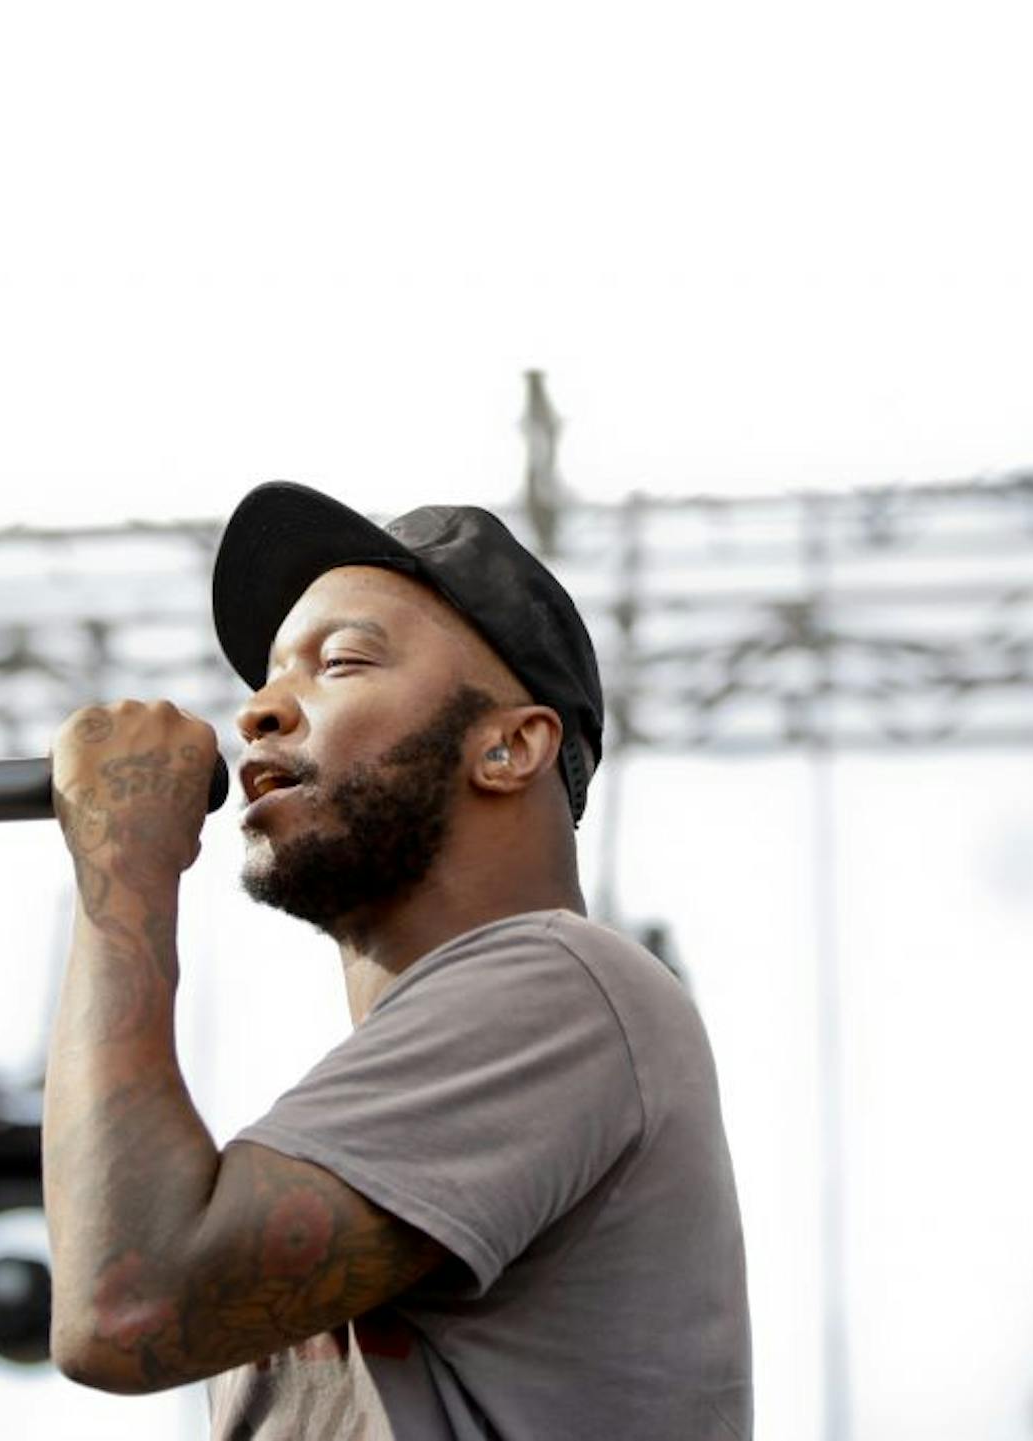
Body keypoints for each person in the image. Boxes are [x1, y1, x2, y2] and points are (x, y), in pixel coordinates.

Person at [43, 481, 752, 1439]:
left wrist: (125, 862)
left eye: (340, 661)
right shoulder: (424, 1072)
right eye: (265, 677)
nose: (258, 711)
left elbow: (126, 1304)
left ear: (508, 746)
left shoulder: (567, 986)